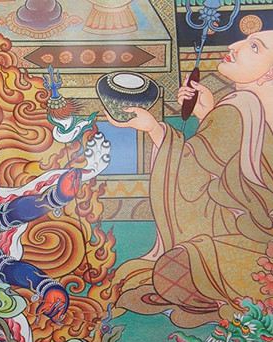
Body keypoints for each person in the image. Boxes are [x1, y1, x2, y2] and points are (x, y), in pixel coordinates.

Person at [107, 31, 273, 327]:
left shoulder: (239, 108)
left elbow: (192, 172)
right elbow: (229, 167)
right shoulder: (250, 105)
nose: (234, 46)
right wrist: (207, 113)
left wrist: (154, 129)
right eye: (244, 40)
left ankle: (221, 295)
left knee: (170, 270)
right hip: (253, 237)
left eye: (254, 47)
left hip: (246, 240)